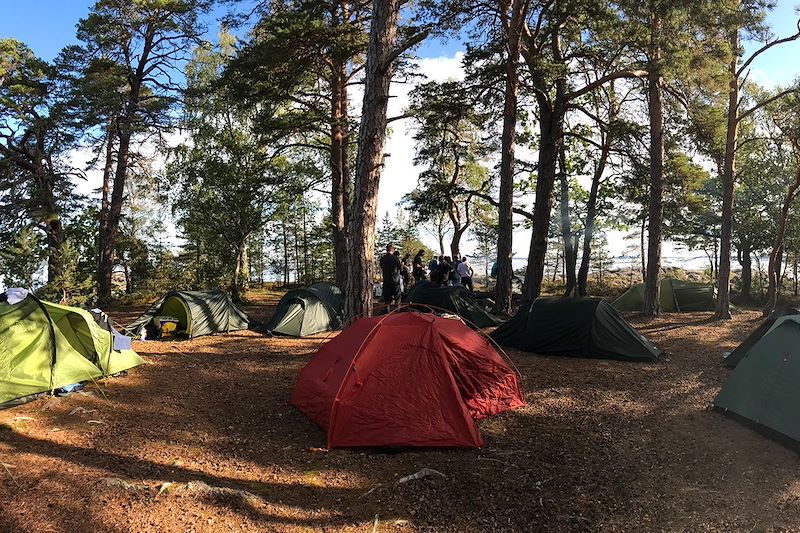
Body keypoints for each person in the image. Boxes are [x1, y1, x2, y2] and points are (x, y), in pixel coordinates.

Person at [379, 244, 402, 312]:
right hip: (395, 280)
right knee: (397, 297)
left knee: (387, 298)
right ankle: (397, 311)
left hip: (386, 280)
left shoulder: (383, 259)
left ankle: (387, 312)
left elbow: (381, 267)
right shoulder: (395, 258)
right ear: (392, 250)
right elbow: (400, 267)